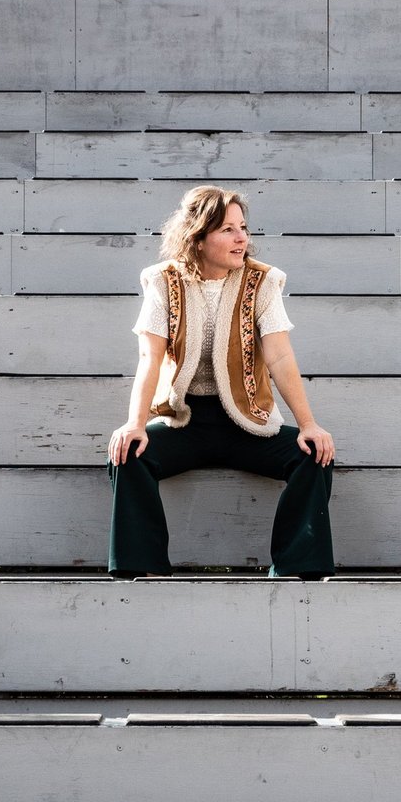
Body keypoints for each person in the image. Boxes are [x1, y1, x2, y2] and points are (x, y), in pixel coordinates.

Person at [106, 184, 336, 578]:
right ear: (198, 236)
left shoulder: (262, 282)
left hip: (247, 420)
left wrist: (309, 424)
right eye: (228, 229)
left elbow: (280, 356)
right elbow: (150, 356)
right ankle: (142, 567)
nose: (242, 237)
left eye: (243, 227)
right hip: (185, 420)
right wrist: (136, 423)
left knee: (312, 455)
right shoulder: (162, 281)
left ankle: (297, 566)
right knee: (129, 453)